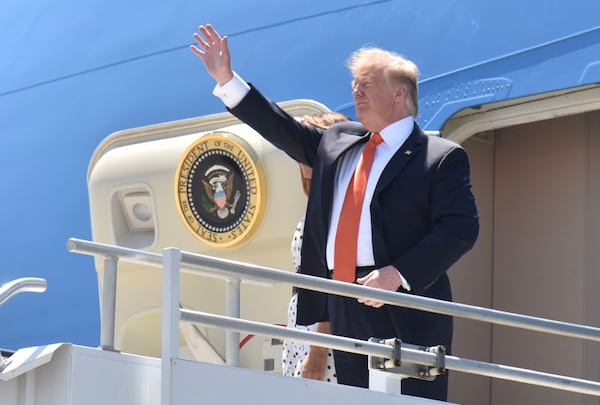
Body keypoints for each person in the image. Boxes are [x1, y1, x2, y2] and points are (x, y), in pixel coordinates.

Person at [190, 24, 479, 401]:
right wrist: (227, 79)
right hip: (342, 300)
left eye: (366, 84)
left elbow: (460, 228)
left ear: (399, 93)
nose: (355, 91)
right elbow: (280, 128)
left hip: (403, 304)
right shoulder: (339, 141)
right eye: (354, 84)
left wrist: (398, 275)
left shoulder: (439, 157)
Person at [283, 112, 348, 382]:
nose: (301, 155)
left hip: (323, 334)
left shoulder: (341, 205)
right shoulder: (317, 203)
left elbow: (338, 281)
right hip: (301, 325)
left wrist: (319, 350)